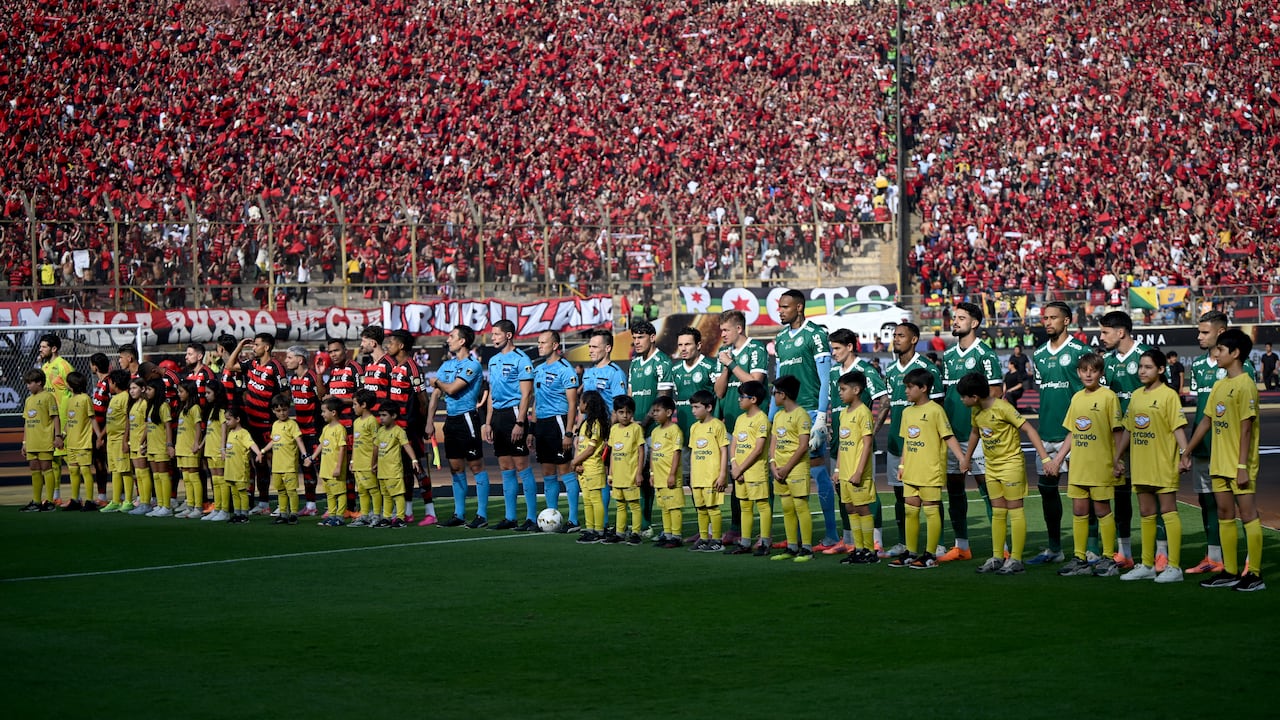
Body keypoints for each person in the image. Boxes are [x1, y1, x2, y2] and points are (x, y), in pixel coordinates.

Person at [1182, 329, 1265, 592]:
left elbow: (1246, 429)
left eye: (1219, 350)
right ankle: (1229, 571)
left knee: (1248, 515)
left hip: (1239, 465)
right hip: (1218, 463)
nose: (1215, 354)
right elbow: (1206, 421)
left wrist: (1242, 466)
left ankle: (1254, 574)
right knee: (1225, 514)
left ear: (1235, 353)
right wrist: (1187, 451)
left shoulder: (1246, 384)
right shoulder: (1220, 385)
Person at [958, 372, 1053, 575]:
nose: (961, 400)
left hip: (1011, 465)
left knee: (1015, 509)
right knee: (998, 512)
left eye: (963, 396)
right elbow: (975, 432)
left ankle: (1016, 559)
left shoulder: (1003, 408)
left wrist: (1045, 458)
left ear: (974, 396)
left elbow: (1029, 429)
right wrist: (966, 459)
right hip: (991, 467)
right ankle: (997, 557)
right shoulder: (976, 411)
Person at [1046, 353, 1124, 577]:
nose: (1088, 374)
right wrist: (1058, 459)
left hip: (1101, 464)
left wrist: (1118, 460)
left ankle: (1109, 557)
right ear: (1078, 372)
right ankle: (1079, 557)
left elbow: (1117, 431)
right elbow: (1072, 432)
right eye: (1084, 370)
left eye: (1094, 370)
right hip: (1078, 465)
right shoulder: (1077, 398)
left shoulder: (1108, 397)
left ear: (1101, 373)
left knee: (1102, 509)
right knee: (1079, 510)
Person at [1114, 349, 1189, 583]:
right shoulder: (1136, 395)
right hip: (1141, 464)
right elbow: (1128, 428)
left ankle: (1174, 567)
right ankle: (1147, 565)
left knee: (1168, 512)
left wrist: (1184, 455)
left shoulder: (1169, 395)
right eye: (1141, 367)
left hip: (1163, 463)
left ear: (1160, 369)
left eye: (1148, 367)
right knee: (1146, 513)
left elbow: (1178, 427)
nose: (1142, 371)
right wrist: (1118, 456)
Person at [772, 289, 837, 551]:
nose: (780, 311)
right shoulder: (780, 339)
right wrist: (771, 418)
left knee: (818, 471)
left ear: (799, 307)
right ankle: (794, 538)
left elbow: (825, 380)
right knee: (786, 476)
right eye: (779, 307)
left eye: (785, 307)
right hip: (784, 417)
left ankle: (831, 534)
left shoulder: (816, 334)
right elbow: (777, 382)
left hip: (809, 412)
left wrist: (821, 416)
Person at [939, 301, 1003, 563]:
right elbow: (946, 398)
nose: (955, 322)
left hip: (978, 436)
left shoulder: (985, 355)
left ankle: (1002, 547)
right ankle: (962, 546)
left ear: (974, 323)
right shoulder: (949, 357)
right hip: (953, 436)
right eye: (954, 318)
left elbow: (997, 392)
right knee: (954, 489)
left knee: (987, 489)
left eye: (961, 318)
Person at [1027, 301, 1090, 565]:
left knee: (1084, 493)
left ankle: (1090, 550)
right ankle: (1055, 548)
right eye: (1045, 318)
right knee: (1046, 490)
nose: (1048, 322)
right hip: (1046, 433)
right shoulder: (1039, 354)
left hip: (1076, 435)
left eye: (1054, 317)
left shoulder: (1080, 351)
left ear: (1067, 321)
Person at [887, 368, 967, 569]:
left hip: (930, 470)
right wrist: (902, 465)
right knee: (910, 512)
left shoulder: (935, 410)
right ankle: (910, 552)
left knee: (931, 512)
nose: (906, 391)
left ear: (923, 388)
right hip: (911, 471)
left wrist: (962, 458)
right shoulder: (906, 412)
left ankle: (930, 555)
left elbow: (948, 436)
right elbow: (906, 442)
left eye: (909, 387)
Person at [875, 321, 942, 557]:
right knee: (900, 495)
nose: (896, 339)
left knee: (930, 498)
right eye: (894, 335)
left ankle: (938, 543)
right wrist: (872, 434)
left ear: (914, 339)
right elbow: (886, 405)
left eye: (901, 336)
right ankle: (905, 543)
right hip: (896, 444)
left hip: (922, 448)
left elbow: (938, 407)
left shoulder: (928, 369)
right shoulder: (892, 370)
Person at [826, 328, 888, 553]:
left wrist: (870, 432)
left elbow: (884, 401)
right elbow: (835, 405)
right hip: (841, 443)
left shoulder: (865, 371)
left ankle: (876, 539)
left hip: (859, 444)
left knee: (866, 491)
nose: (833, 353)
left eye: (837, 348)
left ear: (850, 347)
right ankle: (849, 539)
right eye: (832, 348)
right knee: (842, 491)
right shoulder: (835, 372)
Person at [1098, 310, 1150, 569]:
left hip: (1146, 439)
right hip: (1116, 440)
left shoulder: (1146, 356)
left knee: (1151, 495)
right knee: (1120, 497)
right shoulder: (1106, 361)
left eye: (1105, 332)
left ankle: (1159, 553)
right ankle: (1125, 552)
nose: (1101, 337)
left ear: (1121, 332)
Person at [428, 326, 490, 528]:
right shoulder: (446, 365)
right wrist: (429, 421)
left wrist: (437, 382)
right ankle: (459, 514)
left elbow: (452, 388)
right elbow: (436, 395)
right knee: (455, 469)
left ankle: (481, 515)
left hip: (467, 419)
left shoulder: (473, 365)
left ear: (463, 341)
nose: (448, 340)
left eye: (452, 336)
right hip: (451, 420)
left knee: (475, 466)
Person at [483, 319, 536, 531]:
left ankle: (531, 518)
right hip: (497, 417)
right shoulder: (493, 360)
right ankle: (510, 517)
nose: (492, 338)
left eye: (496, 334)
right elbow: (491, 395)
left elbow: (526, 395)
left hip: (514, 415)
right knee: (505, 467)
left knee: (522, 466)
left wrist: (520, 423)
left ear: (508, 335)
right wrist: (487, 423)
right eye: (492, 334)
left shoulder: (522, 359)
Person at [533, 330, 581, 531]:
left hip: (559, 422)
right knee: (547, 471)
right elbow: (535, 401)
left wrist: (569, 432)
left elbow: (572, 404)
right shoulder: (538, 369)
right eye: (538, 342)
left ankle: (573, 519)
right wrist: (531, 429)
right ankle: (551, 517)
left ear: (555, 346)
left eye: (543, 342)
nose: (539, 345)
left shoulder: (565, 369)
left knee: (565, 469)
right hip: (542, 424)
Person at [629, 319, 674, 535]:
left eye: (641, 338)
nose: (636, 342)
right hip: (636, 429)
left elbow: (663, 399)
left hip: (653, 431)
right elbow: (630, 397)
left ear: (653, 337)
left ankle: (665, 526)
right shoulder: (635, 364)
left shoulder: (663, 362)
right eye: (634, 338)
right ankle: (644, 523)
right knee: (640, 476)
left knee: (656, 477)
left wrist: (644, 423)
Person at [385, 330, 434, 525]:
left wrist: (425, 424)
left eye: (391, 343)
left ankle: (430, 512)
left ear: (401, 346)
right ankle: (408, 510)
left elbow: (423, 399)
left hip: (411, 428)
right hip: (397, 428)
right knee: (404, 469)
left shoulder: (412, 368)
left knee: (417, 468)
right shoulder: (395, 367)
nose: (388, 346)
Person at [236, 332, 284, 515]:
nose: (253, 347)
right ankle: (261, 502)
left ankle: (279, 502)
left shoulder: (276, 367)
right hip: (250, 422)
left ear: (267, 347)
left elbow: (284, 395)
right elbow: (231, 365)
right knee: (255, 463)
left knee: (270, 462)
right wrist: (240, 346)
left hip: (266, 423)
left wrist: (275, 416)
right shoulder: (252, 364)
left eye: (256, 344)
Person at [768, 375, 815, 563]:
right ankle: (792, 546)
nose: (773, 397)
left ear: (783, 395)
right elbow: (774, 441)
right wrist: (773, 464)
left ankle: (807, 548)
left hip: (795, 468)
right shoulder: (778, 416)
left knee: (800, 506)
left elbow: (803, 446)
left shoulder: (801, 414)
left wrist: (787, 467)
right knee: (787, 507)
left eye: (775, 393)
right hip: (779, 469)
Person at [833, 371, 878, 564]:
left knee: (862, 508)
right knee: (850, 508)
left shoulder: (863, 412)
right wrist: (837, 470)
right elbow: (844, 445)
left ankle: (870, 550)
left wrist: (859, 471)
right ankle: (858, 548)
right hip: (845, 472)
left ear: (856, 390)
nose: (840, 394)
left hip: (858, 471)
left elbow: (867, 443)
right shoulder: (844, 413)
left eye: (843, 390)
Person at [322, 337, 363, 517]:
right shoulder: (332, 370)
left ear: (345, 350)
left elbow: (362, 397)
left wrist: (339, 400)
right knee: (343, 470)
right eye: (330, 352)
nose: (333, 355)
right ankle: (345, 508)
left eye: (336, 350)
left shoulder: (355, 368)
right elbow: (322, 395)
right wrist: (318, 373)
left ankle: (358, 508)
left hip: (353, 425)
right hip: (337, 428)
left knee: (355, 469)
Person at [285, 345, 326, 517]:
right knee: (307, 469)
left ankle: (339, 506)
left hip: (315, 432)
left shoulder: (311, 377)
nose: (286, 360)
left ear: (300, 360)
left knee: (323, 469)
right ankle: (310, 505)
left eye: (289, 357)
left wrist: (319, 375)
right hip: (301, 433)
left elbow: (322, 397)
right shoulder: (293, 379)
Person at [686, 390, 729, 552]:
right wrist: (691, 474)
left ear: (709, 407)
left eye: (697, 407)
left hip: (712, 475)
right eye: (692, 407)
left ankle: (717, 540)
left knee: (713, 508)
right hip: (698, 476)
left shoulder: (718, 425)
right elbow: (693, 451)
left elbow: (724, 450)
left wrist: (723, 474)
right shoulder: (694, 427)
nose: (693, 411)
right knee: (701, 509)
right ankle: (704, 538)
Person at [603, 395, 645, 544]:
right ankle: (620, 533)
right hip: (618, 475)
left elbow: (641, 451)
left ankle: (636, 533)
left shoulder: (636, 429)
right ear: (615, 413)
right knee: (620, 505)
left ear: (632, 413)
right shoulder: (614, 429)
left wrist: (639, 472)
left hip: (631, 475)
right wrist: (610, 473)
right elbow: (613, 452)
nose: (625, 415)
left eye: (628, 412)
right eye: (621, 412)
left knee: (633, 505)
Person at [38, 333, 74, 505]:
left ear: (54, 349)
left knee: (69, 459)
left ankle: (77, 497)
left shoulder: (64, 366)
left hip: (64, 418)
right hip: (50, 419)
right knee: (54, 459)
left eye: (43, 346)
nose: (40, 349)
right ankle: (56, 496)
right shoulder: (44, 367)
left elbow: (75, 388)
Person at [20, 369, 62, 512]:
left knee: (46, 468)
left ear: (39, 382)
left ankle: (49, 501)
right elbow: (26, 422)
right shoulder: (28, 400)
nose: (27, 386)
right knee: (34, 469)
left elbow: (55, 417)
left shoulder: (48, 397)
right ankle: (36, 501)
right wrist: (24, 442)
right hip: (31, 441)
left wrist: (57, 436)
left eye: (30, 383)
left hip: (44, 440)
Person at [572, 390, 611, 544]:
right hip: (583, 467)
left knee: (595, 499)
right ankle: (590, 529)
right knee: (587, 500)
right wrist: (578, 464)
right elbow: (581, 446)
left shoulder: (597, 423)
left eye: (581, 402)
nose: (579, 405)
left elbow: (590, 449)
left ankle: (599, 530)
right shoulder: (585, 423)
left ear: (587, 404)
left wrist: (574, 462)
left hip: (594, 466)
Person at [263, 394, 307, 525]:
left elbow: (298, 439)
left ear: (288, 409)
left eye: (284, 410)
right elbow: (274, 440)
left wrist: (304, 454)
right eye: (278, 410)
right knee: (281, 491)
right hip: (277, 466)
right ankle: (283, 513)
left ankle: (293, 513)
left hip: (289, 465)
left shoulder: (292, 424)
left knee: (291, 491)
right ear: (273, 411)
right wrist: (263, 451)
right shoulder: (275, 425)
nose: (282, 413)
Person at [375, 405, 420, 529]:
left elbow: (406, 445)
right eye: (380, 415)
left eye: (384, 415)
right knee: (386, 495)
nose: (381, 418)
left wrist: (414, 459)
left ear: (393, 416)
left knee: (398, 494)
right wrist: (374, 463)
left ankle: (400, 518)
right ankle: (387, 518)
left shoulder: (398, 431)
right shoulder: (380, 431)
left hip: (393, 470)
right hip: (382, 470)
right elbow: (376, 448)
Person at [60, 372, 97, 511]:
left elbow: (92, 419)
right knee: (73, 471)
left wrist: (99, 436)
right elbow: (69, 422)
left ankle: (89, 500)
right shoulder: (70, 400)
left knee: (85, 471)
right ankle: (75, 499)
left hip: (83, 442)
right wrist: (62, 435)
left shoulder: (85, 398)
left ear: (72, 384)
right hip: (72, 443)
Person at [98, 369, 133, 513]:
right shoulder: (114, 398)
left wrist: (125, 440)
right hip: (111, 440)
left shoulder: (125, 397)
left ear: (115, 382)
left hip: (120, 439)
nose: (108, 385)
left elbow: (128, 420)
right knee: (115, 470)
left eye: (109, 382)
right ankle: (116, 500)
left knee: (125, 470)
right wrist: (101, 435)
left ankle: (129, 501)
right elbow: (111, 420)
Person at [347, 389, 382, 527]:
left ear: (364, 405)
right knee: (361, 490)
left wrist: (374, 462)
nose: (353, 407)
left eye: (355, 404)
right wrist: (352, 460)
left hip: (368, 463)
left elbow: (376, 443)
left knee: (373, 489)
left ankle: (377, 515)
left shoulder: (372, 421)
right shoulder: (356, 422)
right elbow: (356, 443)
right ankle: (364, 515)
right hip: (358, 463)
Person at [223, 407, 263, 524]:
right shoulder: (230, 433)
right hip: (230, 469)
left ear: (238, 419)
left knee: (242, 492)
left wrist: (258, 452)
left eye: (229, 419)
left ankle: (244, 515)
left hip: (240, 469)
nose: (227, 422)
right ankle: (237, 513)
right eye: (226, 419)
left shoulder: (243, 433)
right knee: (234, 493)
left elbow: (251, 444)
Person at [313, 398, 350, 526]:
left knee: (339, 493)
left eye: (324, 411)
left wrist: (339, 467)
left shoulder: (340, 429)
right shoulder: (326, 428)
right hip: (325, 468)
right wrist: (312, 457)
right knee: (329, 494)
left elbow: (342, 448)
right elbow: (322, 444)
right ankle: (332, 515)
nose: (322, 414)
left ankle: (340, 517)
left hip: (335, 468)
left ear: (333, 412)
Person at [173, 381, 204, 518]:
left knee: (193, 477)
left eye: (181, 391)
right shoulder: (183, 407)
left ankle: (198, 507)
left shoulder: (195, 408)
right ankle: (190, 505)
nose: (179, 394)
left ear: (189, 392)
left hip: (190, 448)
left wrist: (196, 443)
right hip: (181, 447)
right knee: (186, 477)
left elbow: (198, 427)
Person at [201, 383, 229, 521]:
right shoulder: (212, 410)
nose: (206, 396)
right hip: (209, 449)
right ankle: (217, 507)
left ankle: (224, 510)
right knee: (215, 480)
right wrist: (201, 444)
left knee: (220, 479)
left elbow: (224, 430)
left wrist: (223, 448)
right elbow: (209, 430)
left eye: (208, 393)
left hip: (218, 449)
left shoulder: (222, 411)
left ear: (216, 393)